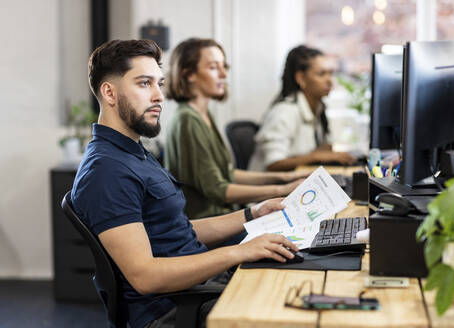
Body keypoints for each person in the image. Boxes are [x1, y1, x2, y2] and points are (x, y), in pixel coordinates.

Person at [71, 39, 299, 328]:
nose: (158, 96)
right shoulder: (106, 171)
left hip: (199, 287)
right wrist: (238, 252)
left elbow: (177, 231)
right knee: (294, 310)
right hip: (173, 311)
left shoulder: (133, 152)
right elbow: (146, 276)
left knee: (298, 284)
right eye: (144, 84)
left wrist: (252, 214)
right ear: (109, 93)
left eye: (159, 84)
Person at [164, 38, 308, 219]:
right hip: (210, 223)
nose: (224, 74)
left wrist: (284, 178)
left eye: (224, 66)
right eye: (214, 67)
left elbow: (227, 174)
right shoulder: (187, 120)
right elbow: (218, 189)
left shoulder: (202, 114)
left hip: (224, 216)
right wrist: (282, 190)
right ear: (189, 74)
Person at [249, 45, 357, 172]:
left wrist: (323, 153)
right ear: (301, 78)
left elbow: (323, 149)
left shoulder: (318, 108)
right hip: (272, 187)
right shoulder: (284, 112)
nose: (329, 81)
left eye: (330, 73)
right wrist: (315, 156)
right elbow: (273, 163)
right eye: (321, 74)